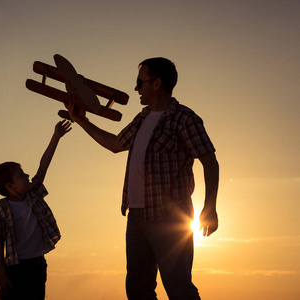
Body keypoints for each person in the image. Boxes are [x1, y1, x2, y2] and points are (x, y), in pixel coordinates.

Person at [67, 57, 219, 300]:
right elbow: (116, 144)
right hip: (136, 215)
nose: (136, 87)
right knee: (138, 289)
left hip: (170, 215)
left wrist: (209, 207)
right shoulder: (142, 118)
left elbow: (210, 161)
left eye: (140, 82)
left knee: (178, 286)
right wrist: (81, 120)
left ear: (157, 84)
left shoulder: (183, 118)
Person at [0, 120, 72, 300]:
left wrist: (56, 136)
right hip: (14, 269)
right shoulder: (1, 211)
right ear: (10, 187)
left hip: (37, 265)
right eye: (21, 175)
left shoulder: (33, 195)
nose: (27, 175)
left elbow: (43, 165)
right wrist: (1, 276)